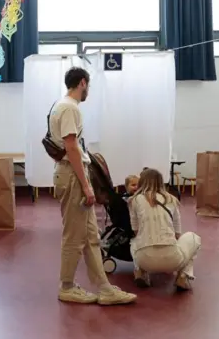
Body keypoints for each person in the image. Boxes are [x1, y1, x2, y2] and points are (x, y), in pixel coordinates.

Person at [49, 67, 136, 305]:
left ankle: (105, 288)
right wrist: (87, 186)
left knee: (90, 237)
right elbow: (71, 147)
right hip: (72, 176)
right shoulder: (69, 108)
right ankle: (66, 286)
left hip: (71, 174)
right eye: (89, 86)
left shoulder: (63, 105)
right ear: (83, 83)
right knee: (73, 236)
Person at [128, 168, 201, 290]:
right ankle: (183, 276)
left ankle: (140, 272)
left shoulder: (134, 200)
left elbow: (135, 230)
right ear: (161, 182)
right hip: (172, 259)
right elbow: (177, 233)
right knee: (194, 238)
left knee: (133, 241)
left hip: (144, 259)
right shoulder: (171, 199)